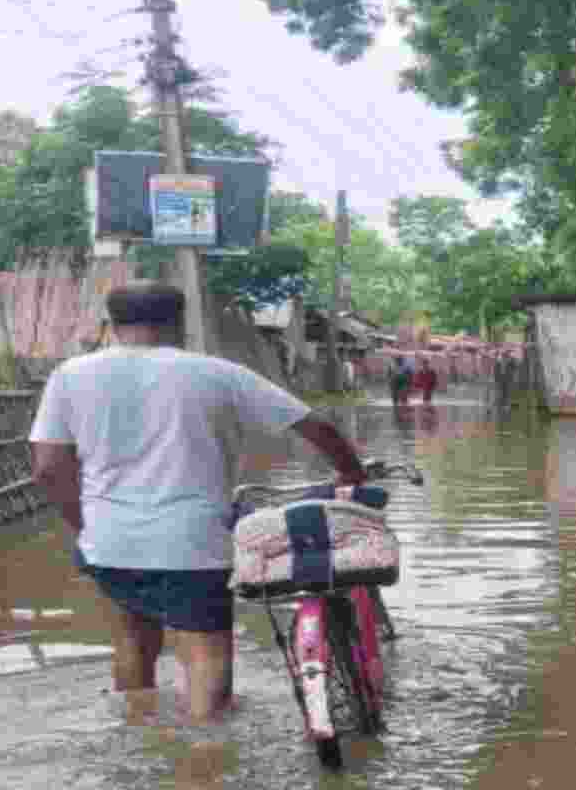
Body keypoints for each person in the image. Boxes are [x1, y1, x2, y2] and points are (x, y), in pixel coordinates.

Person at [28, 282, 369, 725]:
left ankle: (140, 745)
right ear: (179, 322)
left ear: (111, 324)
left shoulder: (70, 376)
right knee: (204, 657)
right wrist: (351, 474)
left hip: (109, 542)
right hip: (193, 543)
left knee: (132, 650)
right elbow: (317, 427)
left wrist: (85, 526)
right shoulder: (217, 373)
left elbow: (48, 468)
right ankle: (206, 757)